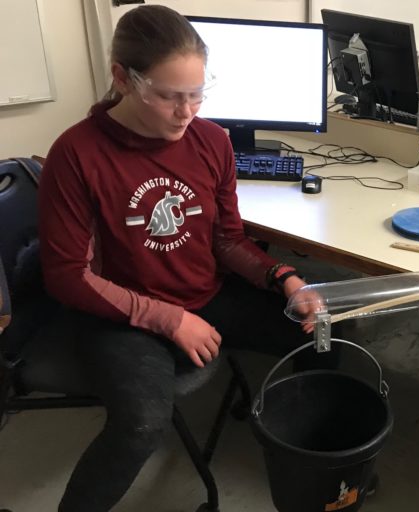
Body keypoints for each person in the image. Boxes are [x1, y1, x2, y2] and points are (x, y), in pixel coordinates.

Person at [37, 5, 326, 511]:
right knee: (141, 425)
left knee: (325, 334)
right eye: (169, 96)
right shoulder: (76, 153)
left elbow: (227, 240)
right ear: (122, 79)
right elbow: (66, 276)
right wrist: (170, 319)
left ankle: (314, 465)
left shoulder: (211, 141)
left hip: (205, 295)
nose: (186, 111)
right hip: (122, 316)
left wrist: (285, 277)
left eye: (196, 93)